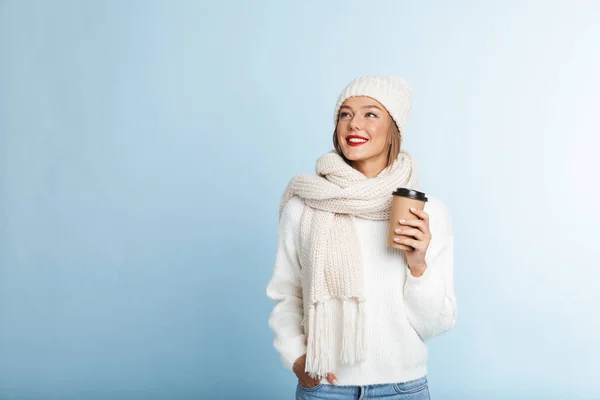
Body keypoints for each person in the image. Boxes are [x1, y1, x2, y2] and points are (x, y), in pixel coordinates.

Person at [266, 76, 457, 399]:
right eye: (345, 113)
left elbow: (434, 324)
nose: (354, 124)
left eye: (371, 114)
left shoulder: (427, 212)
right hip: (325, 389)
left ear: (393, 128)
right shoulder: (305, 205)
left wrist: (418, 264)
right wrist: (297, 359)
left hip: (402, 388)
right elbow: (287, 294)